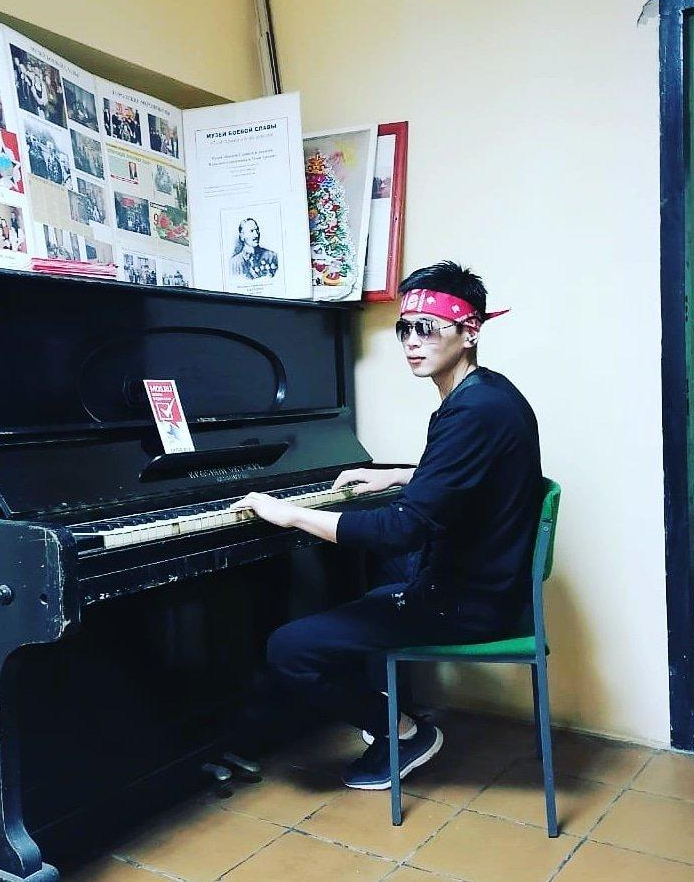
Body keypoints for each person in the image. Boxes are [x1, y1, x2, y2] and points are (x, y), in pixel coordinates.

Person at [230, 261, 542, 790]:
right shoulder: (487, 394)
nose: (411, 342)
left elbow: (403, 528)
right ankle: (382, 699)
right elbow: (473, 474)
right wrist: (398, 476)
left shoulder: (473, 411)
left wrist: (292, 514)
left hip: (469, 603)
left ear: (469, 331)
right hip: (484, 580)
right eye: (405, 329)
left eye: (428, 328)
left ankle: (403, 731)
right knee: (372, 577)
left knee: (289, 647)